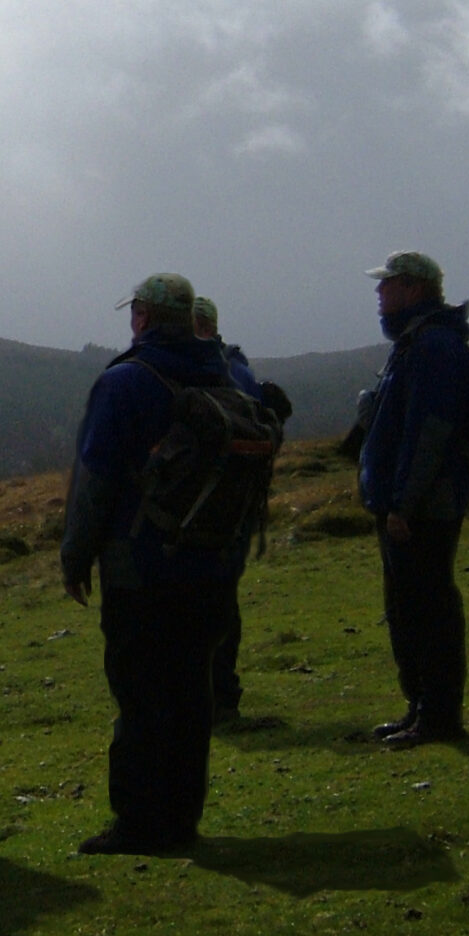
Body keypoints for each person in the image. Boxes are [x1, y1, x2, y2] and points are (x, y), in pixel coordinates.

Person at [60, 273, 240, 854]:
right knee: (192, 694)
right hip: (211, 564)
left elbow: (97, 480)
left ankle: (138, 824)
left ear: (142, 317)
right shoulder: (227, 376)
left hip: (140, 565)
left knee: (139, 695)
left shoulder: (125, 383)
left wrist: (76, 554)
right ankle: (182, 820)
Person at [356, 252, 469, 749]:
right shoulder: (417, 343)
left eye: (387, 286)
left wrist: (404, 501)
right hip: (405, 503)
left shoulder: (432, 346)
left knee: (428, 607)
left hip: (423, 506)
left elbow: (428, 432)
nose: (379, 295)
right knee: (407, 606)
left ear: (412, 288)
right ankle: (419, 707)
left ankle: (439, 715)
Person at [193, 297, 291, 725]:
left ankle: (208, 698)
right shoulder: (242, 373)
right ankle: (222, 696)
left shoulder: (196, 373)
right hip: (237, 507)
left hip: (200, 508)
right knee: (221, 602)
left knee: (196, 604)